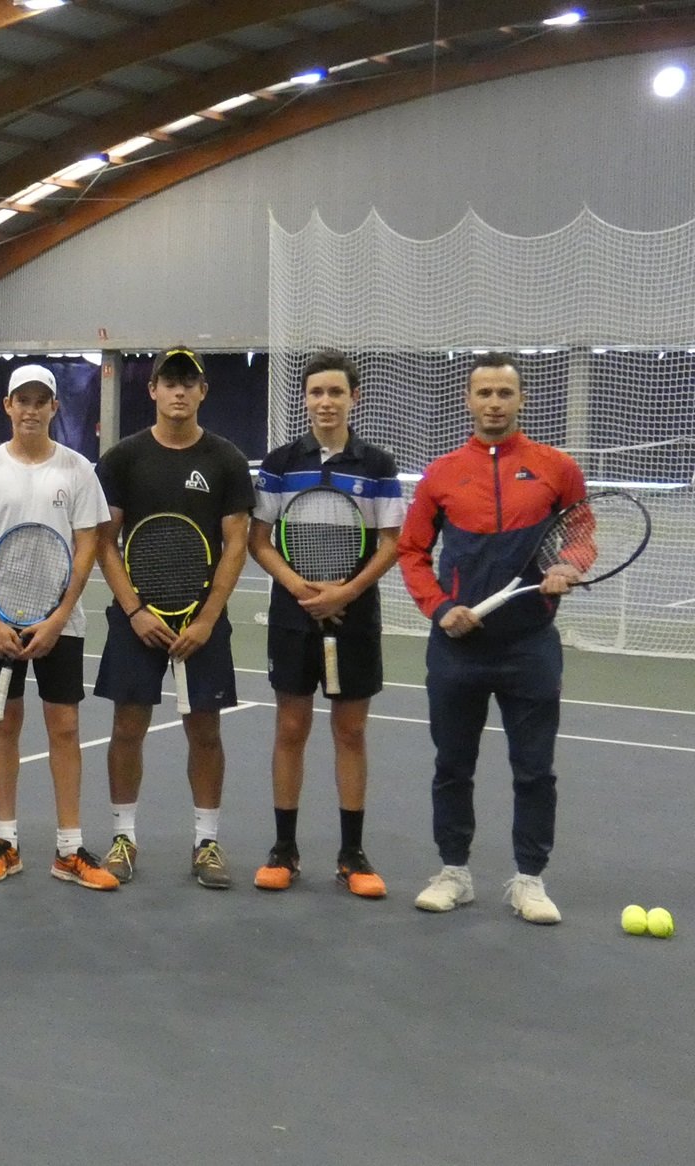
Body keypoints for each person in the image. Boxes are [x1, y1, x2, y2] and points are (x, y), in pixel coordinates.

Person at [398, 352, 584, 924]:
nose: (494, 403)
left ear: (521, 400)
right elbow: (412, 552)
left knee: (534, 770)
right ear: (469, 400)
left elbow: (582, 532)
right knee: (452, 766)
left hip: (530, 646)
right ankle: (453, 871)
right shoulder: (443, 474)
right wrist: (441, 608)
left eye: (505, 393)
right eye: (484, 393)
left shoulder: (556, 468)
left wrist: (568, 566)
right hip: (457, 649)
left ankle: (530, 879)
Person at [93, 348, 253, 889]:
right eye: (170, 381)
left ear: (203, 392)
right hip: (136, 622)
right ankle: (123, 836)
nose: (179, 391)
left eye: (190, 383)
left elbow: (236, 546)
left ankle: (206, 842)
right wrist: (135, 610)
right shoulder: (121, 460)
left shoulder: (226, 459)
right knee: (126, 727)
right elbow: (105, 542)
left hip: (201, 623)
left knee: (205, 731)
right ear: (153, 390)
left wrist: (207, 619)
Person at [247, 350, 404, 898]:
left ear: (353, 399)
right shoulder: (281, 462)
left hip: (355, 618)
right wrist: (300, 589)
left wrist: (347, 591)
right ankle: (284, 850)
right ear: (306, 399)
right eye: (317, 393)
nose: (326, 402)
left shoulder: (378, 465)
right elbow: (258, 541)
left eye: (336, 392)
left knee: (350, 731)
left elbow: (392, 542)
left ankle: (352, 854)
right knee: (290, 729)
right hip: (294, 618)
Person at [0, 365, 118, 890]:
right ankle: (6, 842)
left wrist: (56, 617)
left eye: (40, 401)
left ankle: (69, 849)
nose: (30, 409)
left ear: (54, 408)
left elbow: (87, 548)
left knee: (65, 728)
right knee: (4, 724)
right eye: (21, 400)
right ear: (7, 406)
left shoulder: (77, 471)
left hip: (60, 624)